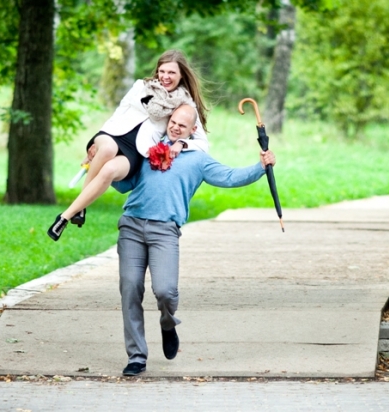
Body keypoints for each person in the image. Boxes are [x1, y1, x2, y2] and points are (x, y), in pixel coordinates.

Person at [110, 104, 276, 376]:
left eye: (182, 125)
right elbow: (124, 184)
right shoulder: (148, 146)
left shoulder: (198, 159)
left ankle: (167, 323)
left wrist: (260, 166)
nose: (175, 127)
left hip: (165, 231)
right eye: (172, 122)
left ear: (193, 130)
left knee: (165, 291)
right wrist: (105, 166)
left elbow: (230, 177)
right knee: (130, 289)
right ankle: (137, 357)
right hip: (131, 225)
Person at [47, 50, 210, 242]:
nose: (165, 77)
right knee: (107, 150)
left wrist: (181, 143)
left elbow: (202, 142)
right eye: (162, 71)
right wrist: (95, 148)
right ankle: (77, 209)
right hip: (112, 135)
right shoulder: (141, 86)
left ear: (182, 74)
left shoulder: (185, 103)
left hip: (136, 150)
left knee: (108, 170)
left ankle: (65, 217)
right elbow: (118, 113)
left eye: (171, 73)